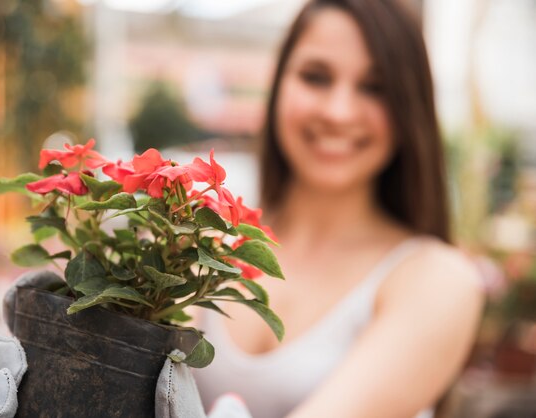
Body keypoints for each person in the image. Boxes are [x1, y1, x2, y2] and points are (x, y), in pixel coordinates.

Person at [192, 0, 484, 417]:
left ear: (408, 109)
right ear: (279, 84)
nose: (338, 111)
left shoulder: (435, 279)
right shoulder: (198, 239)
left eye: (374, 88)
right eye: (316, 77)